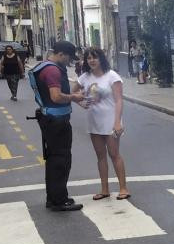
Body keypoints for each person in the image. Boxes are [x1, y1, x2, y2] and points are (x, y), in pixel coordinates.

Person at [29, 40, 84, 212]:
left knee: (53, 160)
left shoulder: (43, 66)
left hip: (49, 119)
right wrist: (74, 97)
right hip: (57, 122)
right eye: (68, 58)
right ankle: (60, 200)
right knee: (61, 160)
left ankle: (53, 198)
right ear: (61, 54)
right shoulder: (53, 70)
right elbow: (56, 97)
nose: (69, 62)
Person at [75, 47, 130, 201]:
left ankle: (123, 188)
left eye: (95, 57)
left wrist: (117, 122)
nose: (91, 60)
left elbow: (119, 100)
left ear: (101, 59)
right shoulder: (84, 77)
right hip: (94, 121)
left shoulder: (112, 76)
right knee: (100, 157)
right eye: (88, 58)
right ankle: (104, 189)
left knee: (114, 154)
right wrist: (81, 103)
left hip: (111, 121)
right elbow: (73, 94)